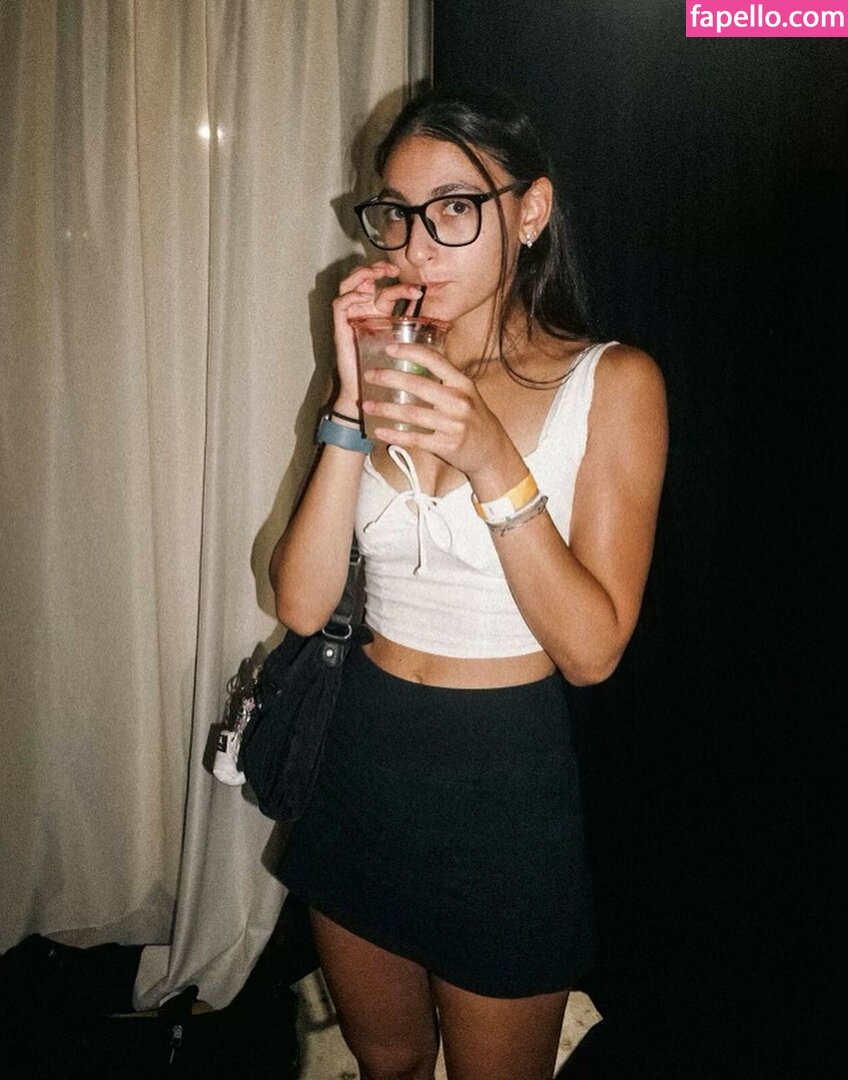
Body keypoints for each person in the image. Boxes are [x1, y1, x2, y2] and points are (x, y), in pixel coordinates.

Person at [269, 84, 668, 1080]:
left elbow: (593, 653)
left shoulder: (611, 383)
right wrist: (350, 398)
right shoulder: (387, 368)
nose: (416, 246)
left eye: (454, 209)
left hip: (500, 790)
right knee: (389, 1062)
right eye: (397, 215)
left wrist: (494, 460)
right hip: (357, 766)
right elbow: (301, 602)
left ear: (530, 212)